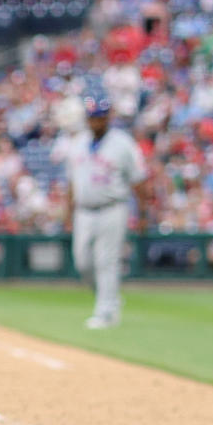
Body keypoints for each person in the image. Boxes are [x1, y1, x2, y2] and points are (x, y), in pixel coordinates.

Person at [64, 96, 149, 329]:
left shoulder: (122, 143)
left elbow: (139, 181)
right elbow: (71, 181)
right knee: (82, 262)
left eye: (100, 117)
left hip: (113, 207)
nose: (95, 122)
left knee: (106, 261)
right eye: (92, 117)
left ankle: (106, 312)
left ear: (108, 117)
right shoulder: (78, 142)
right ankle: (109, 299)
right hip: (83, 210)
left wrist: (142, 215)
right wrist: (67, 213)